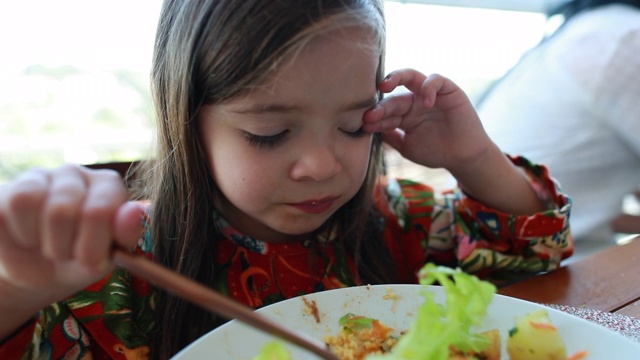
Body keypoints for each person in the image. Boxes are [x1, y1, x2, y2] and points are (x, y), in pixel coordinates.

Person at [0, 0, 573, 358]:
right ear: (189, 121)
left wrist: (472, 157)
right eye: (270, 134)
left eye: (353, 125)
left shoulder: (396, 218)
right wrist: (22, 286)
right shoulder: (130, 266)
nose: (323, 165)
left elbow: (532, 254)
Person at [476, 0, 640, 251]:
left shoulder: (590, 29)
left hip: (499, 249)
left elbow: (586, 199)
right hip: (541, 263)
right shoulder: (626, 38)